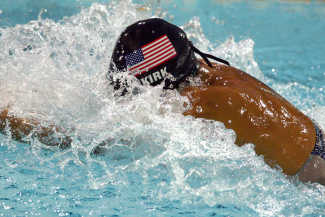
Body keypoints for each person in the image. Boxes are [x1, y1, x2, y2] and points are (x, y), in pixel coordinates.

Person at [109, 18, 325, 185]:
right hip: (315, 143)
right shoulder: (211, 70)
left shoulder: (204, 99)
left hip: (314, 177)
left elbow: (117, 130)